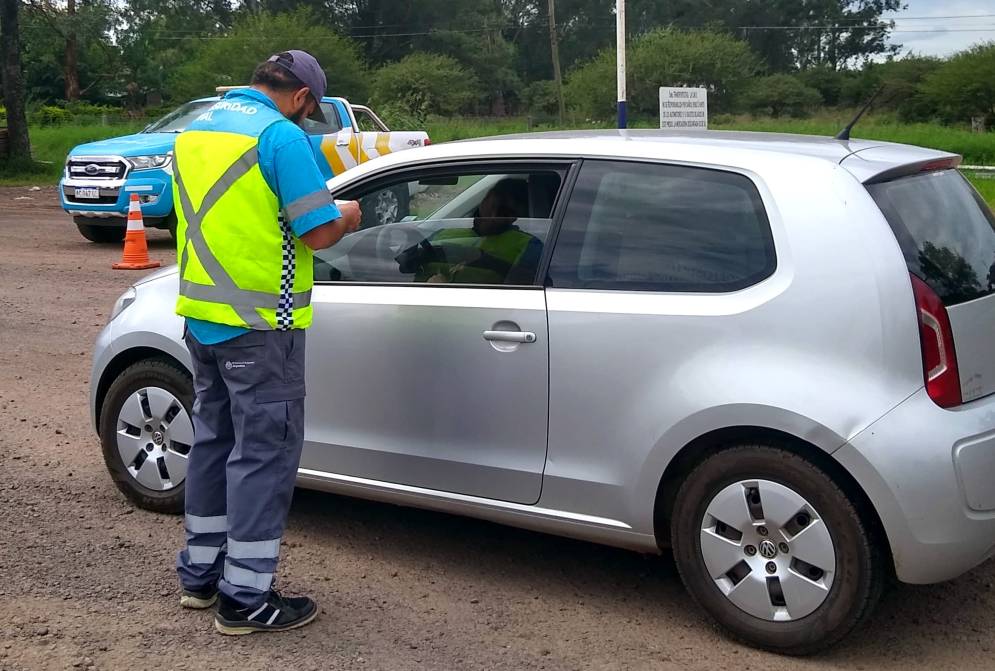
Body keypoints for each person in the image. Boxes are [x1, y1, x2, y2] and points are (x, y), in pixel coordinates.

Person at [172, 50, 361, 636]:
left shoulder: (194, 131)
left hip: (202, 319)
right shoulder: (281, 139)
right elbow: (322, 231)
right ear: (303, 97)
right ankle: (246, 600)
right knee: (263, 456)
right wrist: (351, 215)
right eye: (313, 109)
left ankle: (200, 577)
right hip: (262, 328)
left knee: (212, 443)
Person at [398, 179, 542, 285]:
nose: (492, 216)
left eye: (503, 212)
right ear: (483, 201)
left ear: (517, 217)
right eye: (491, 205)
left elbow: (529, 287)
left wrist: (483, 260)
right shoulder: (444, 233)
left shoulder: (528, 245)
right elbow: (404, 269)